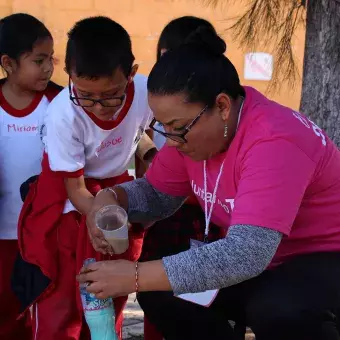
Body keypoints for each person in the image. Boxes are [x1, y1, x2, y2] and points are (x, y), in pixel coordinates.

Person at [79, 26, 340, 340]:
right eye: (164, 127)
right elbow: (157, 194)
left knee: (277, 308)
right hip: (266, 263)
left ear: (222, 106)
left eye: (177, 128)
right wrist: (112, 197)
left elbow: (244, 255)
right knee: (161, 293)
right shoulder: (194, 133)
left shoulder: (275, 139)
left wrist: (133, 276)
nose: (171, 142)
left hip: (323, 257)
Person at [16, 16, 156, 340]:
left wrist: (148, 193)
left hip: (118, 188)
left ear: (131, 74)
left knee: (113, 290)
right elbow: (76, 190)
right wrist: (97, 217)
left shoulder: (147, 91)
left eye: (110, 96)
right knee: (63, 299)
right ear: (70, 75)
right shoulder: (63, 114)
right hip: (70, 199)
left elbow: (141, 135)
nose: (98, 107)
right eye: (86, 95)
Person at [139, 18, 225, 340]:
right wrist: (149, 158)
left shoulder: (215, 103)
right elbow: (140, 137)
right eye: (164, 58)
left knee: (203, 297)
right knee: (155, 293)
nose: (174, 137)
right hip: (166, 207)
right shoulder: (153, 95)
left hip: (206, 211)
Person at [0, 13, 61, 340]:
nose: (49, 68)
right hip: (4, 236)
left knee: (48, 312)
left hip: (47, 235)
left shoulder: (60, 104)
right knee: (8, 314)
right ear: (8, 63)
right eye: (39, 60)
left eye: (51, 59)